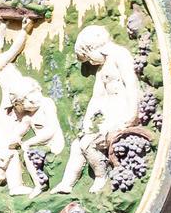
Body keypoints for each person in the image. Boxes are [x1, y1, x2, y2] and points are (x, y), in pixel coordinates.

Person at [50, 24, 141, 193]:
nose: (90, 62)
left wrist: (132, 115)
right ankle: (67, 184)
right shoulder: (102, 68)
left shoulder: (120, 55)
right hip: (110, 116)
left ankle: (101, 177)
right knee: (78, 145)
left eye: (89, 57)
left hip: (122, 114)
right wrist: (87, 122)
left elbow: (132, 85)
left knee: (88, 144)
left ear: (92, 47)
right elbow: (96, 97)